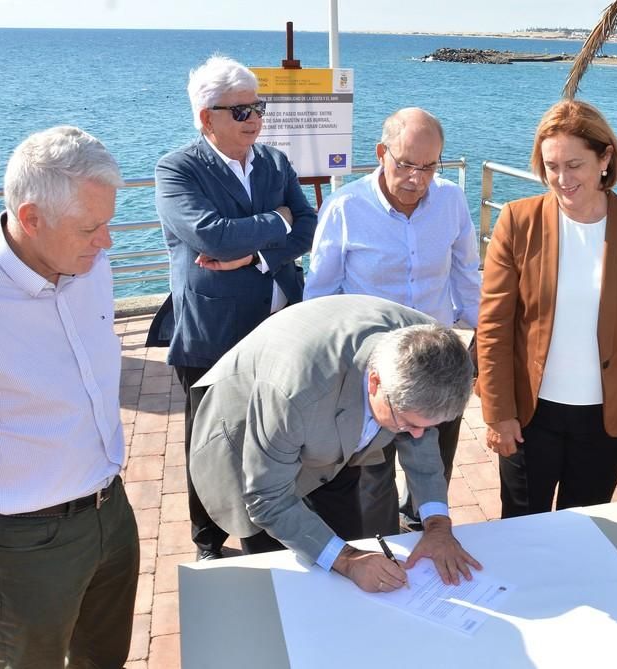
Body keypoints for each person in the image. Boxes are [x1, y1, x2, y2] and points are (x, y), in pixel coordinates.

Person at [0, 126, 139, 668]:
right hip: (21, 545)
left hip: (110, 512)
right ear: (30, 218)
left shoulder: (90, 265)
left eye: (109, 223)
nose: (107, 242)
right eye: (91, 227)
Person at [187, 294, 482, 591]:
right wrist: (348, 561)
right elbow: (267, 499)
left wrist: (437, 527)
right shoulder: (296, 393)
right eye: (407, 423)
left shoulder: (430, 349)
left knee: (344, 541)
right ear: (376, 383)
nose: (416, 435)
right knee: (281, 575)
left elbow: (423, 444)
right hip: (250, 424)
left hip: (329, 430)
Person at [155, 55, 317, 560]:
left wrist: (257, 255)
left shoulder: (273, 162)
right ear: (207, 118)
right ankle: (209, 539)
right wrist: (278, 217)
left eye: (258, 108)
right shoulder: (177, 169)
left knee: (270, 432)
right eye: (242, 112)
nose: (255, 120)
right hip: (213, 331)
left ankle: (263, 529)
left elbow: (309, 226)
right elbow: (212, 236)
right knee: (209, 441)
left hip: (277, 324)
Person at [477, 99, 617, 519]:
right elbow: (493, 326)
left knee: (584, 531)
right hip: (529, 417)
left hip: (607, 420)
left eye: (574, 165)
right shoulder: (516, 220)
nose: (561, 179)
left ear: (604, 158)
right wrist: (498, 413)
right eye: (551, 166)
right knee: (523, 531)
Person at [304, 107, 481, 536]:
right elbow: (320, 294)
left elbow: (465, 273)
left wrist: (484, 344)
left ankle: (423, 524)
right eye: (405, 164)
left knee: (435, 459)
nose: (417, 178)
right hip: (372, 371)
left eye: (428, 167)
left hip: (438, 362)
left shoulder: (451, 201)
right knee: (373, 473)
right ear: (381, 152)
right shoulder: (346, 207)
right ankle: (382, 544)